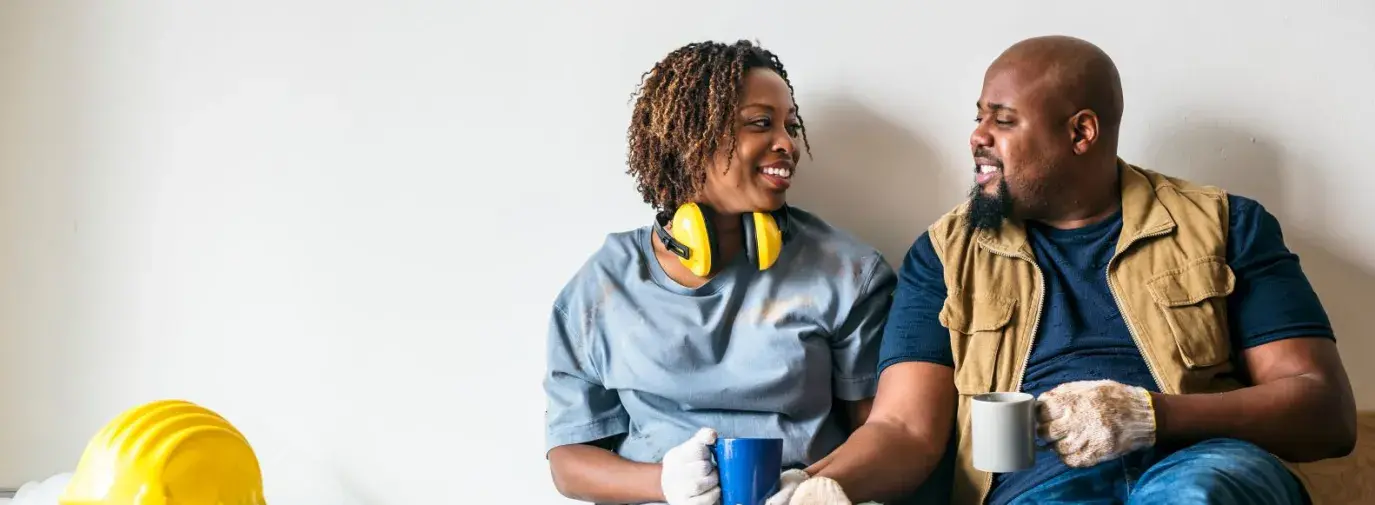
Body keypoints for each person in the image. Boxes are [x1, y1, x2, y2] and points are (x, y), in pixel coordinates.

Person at [772, 35, 1359, 505]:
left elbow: (1325, 412)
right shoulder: (946, 254)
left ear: (1081, 132)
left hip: (1206, 465)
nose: (977, 136)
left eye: (1003, 120)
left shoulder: (1227, 224)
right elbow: (902, 430)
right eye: (979, 117)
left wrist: (1150, 416)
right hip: (1038, 487)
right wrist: (818, 488)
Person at [541, 40, 897, 505]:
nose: (788, 144)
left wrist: (811, 488)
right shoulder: (600, 289)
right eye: (760, 123)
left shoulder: (848, 272)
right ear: (692, 136)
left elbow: (882, 432)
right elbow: (569, 458)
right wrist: (665, 484)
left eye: (790, 126)